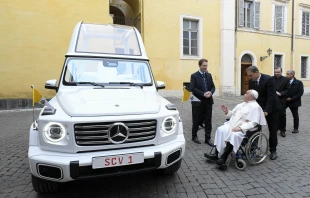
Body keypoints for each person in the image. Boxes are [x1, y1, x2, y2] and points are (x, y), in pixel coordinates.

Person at [204, 90, 266, 166]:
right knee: (220, 130)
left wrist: (240, 128)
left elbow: (253, 123)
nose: (244, 94)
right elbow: (233, 115)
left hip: (245, 129)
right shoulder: (242, 104)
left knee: (234, 135)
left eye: (246, 93)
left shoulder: (256, 107)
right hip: (232, 124)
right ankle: (217, 153)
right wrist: (227, 112)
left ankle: (224, 157)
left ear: (251, 97)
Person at [246, 66, 281, 160]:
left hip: (272, 109)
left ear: (257, 72)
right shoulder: (251, 81)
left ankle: (273, 150)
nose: (249, 77)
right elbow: (252, 96)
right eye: (248, 76)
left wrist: (266, 110)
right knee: (255, 128)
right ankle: (253, 150)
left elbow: (271, 96)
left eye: (251, 75)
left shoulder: (268, 79)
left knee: (272, 130)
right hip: (258, 108)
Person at [190, 59, 215, 146]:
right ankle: (194, 136)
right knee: (196, 120)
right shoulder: (194, 76)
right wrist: (203, 94)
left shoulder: (209, 75)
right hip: (198, 102)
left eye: (206, 65)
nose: (205, 67)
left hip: (208, 101)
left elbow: (213, 87)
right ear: (200, 65)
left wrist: (210, 92)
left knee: (208, 121)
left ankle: (207, 139)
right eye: (204, 65)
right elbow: (192, 88)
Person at [272, 67, 290, 137]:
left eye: (278, 72)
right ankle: (275, 128)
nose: (276, 73)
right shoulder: (271, 79)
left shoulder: (286, 79)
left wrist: (281, 93)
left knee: (282, 115)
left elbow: (288, 90)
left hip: (282, 100)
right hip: (273, 100)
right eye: (275, 72)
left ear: (281, 72)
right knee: (273, 116)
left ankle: (283, 130)